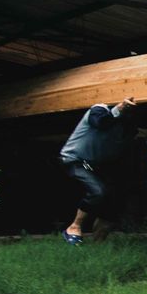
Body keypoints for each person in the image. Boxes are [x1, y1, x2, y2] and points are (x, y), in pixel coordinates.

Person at [59, 96, 138, 244]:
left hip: (95, 165)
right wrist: (119, 108)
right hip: (74, 160)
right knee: (98, 191)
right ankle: (74, 227)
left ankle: (98, 243)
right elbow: (100, 122)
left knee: (113, 200)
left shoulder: (125, 130)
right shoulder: (99, 110)